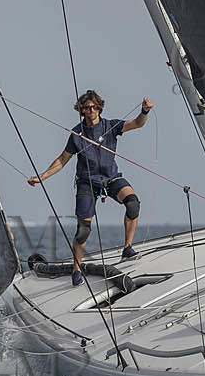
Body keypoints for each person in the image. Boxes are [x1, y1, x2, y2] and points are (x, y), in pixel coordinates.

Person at [28, 89, 152, 285]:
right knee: (83, 230)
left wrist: (144, 112)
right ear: (82, 110)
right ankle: (76, 269)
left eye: (94, 107)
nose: (91, 110)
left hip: (110, 178)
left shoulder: (110, 126)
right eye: (86, 108)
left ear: (99, 108)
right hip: (87, 182)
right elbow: (62, 160)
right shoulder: (77, 134)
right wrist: (42, 177)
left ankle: (127, 248)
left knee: (133, 204)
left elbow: (137, 124)